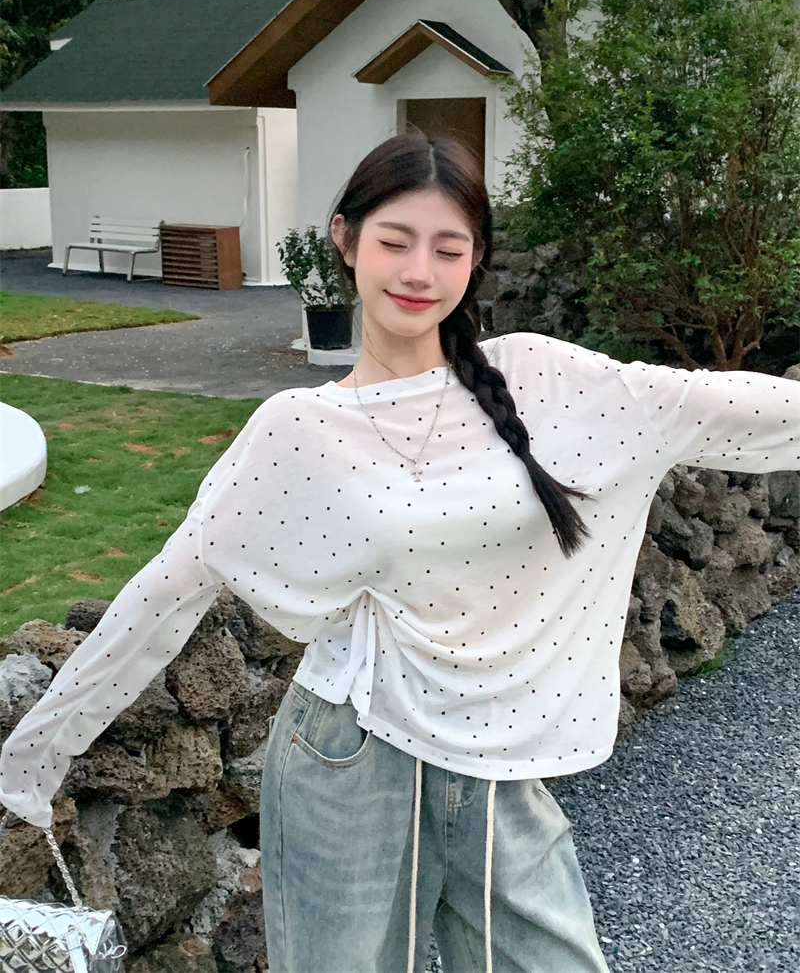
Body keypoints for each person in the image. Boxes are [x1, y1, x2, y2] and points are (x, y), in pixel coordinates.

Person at [0, 134, 797, 973]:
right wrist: (37, 752)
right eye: (395, 241)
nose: (419, 272)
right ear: (345, 240)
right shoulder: (297, 431)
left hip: (498, 771)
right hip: (347, 759)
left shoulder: (547, 380)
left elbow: (722, 405)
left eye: (448, 249)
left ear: (475, 260)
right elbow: (166, 593)